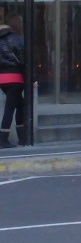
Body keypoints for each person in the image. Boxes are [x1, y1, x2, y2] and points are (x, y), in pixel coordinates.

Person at [0, 12, 26, 148]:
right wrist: (31, 78)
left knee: (20, 105)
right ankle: (3, 140)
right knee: (10, 108)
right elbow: (23, 60)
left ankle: (22, 137)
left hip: (2, 79)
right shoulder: (17, 38)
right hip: (15, 78)